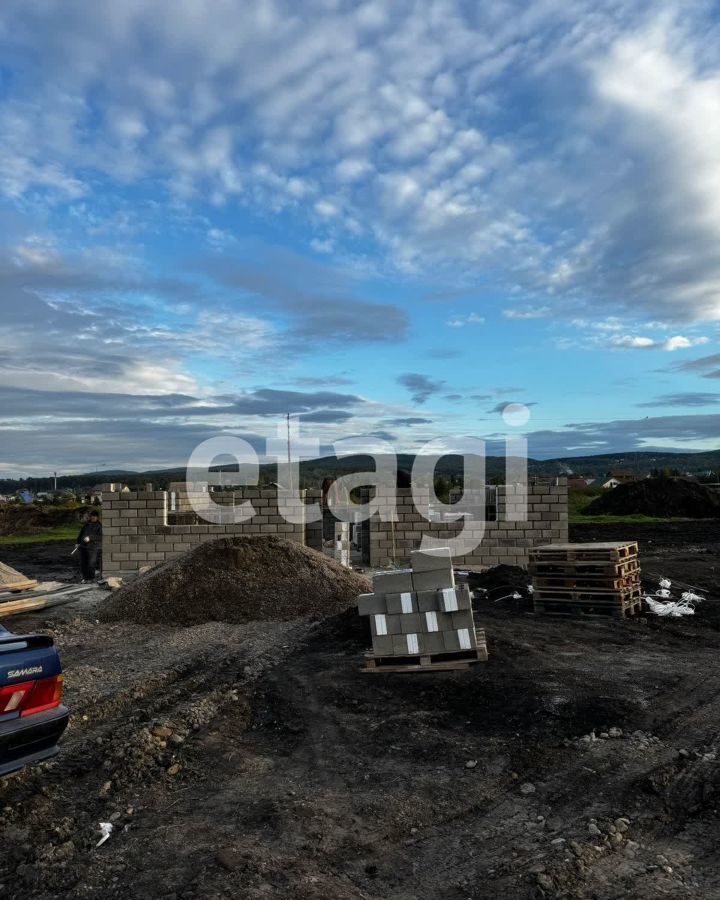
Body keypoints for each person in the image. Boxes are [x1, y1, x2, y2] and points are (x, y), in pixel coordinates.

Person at [76, 510, 102, 582]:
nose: (93, 518)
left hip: (92, 547)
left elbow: (100, 536)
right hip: (82, 547)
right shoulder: (86, 525)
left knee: (91, 563)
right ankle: (85, 578)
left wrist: (90, 538)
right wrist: (77, 542)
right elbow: (81, 534)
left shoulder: (99, 526)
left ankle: (91, 578)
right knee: (83, 563)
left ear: (97, 517)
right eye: (92, 516)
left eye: (94, 516)